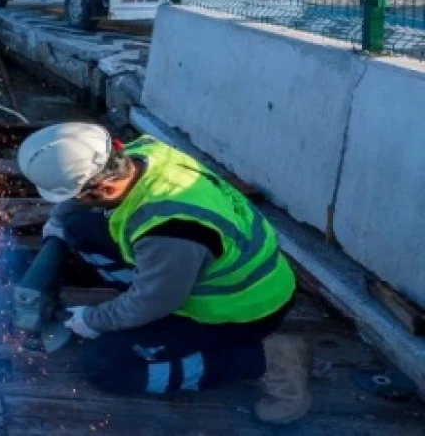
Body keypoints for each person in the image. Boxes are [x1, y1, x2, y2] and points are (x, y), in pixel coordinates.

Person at [16, 123, 312, 425]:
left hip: (238, 310)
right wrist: (58, 221)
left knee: (106, 367)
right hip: (213, 273)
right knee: (79, 227)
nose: (72, 201)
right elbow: (81, 199)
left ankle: (267, 360)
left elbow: (153, 303)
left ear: (103, 189)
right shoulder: (140, 155)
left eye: (77, 196)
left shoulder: (169, 231)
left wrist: (94, 320)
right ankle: (137, 306)